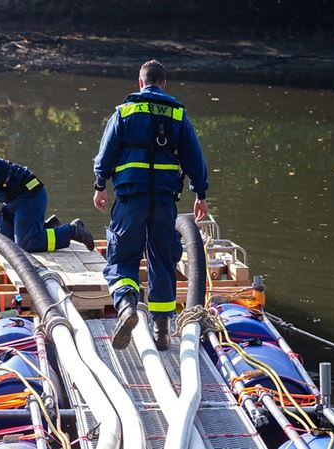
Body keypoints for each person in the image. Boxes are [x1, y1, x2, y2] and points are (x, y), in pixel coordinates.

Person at [93, 60, 209, 351]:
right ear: (164, 84)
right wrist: (200, 194)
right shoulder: (178, 113)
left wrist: (99, 184)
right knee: (163, 260)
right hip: (164, 200)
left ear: (140, 82)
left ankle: (128, 307)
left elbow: (106, 154)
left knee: (122, 258)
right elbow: (194, 157)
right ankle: (161, 330)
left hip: (131, 198)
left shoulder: (125, 111)